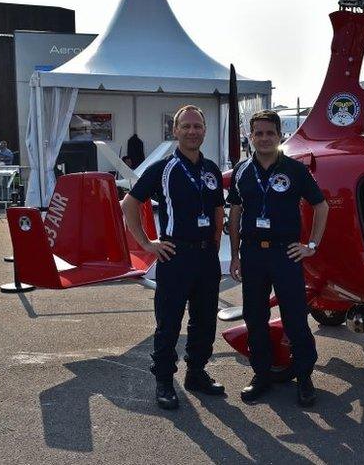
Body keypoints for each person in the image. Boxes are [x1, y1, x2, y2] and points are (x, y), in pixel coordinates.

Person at [121, 105, 226, 410]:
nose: (193, 132)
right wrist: (147, 243)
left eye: (198, 127)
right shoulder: (162, 169)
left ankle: (197, 372)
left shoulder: (211, 170)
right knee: (169, 323)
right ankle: (165, 381)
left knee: (205, 320)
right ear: (176, 131)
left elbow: (219, 210)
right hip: (174, 255)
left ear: (204, 131)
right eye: (187, 127)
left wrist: (216, 242)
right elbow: (129, 204)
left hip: (206, 257)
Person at [228, 110, 329, 407]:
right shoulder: (242, 171)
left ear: (280, 135)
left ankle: (305, 376)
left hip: (285, 253)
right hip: (253, 254)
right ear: (251, 136)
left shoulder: (296, 170)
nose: (264, 138)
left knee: (295, 316)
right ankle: (261, 374)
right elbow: (235, 214)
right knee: (255, 317)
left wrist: (311, 244)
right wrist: (234, 255)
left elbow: (321, 206)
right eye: (258, 133)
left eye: (269, 133)